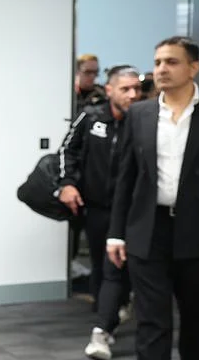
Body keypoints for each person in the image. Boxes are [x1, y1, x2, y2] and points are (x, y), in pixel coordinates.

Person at [107, 36, 199, 360]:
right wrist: (116, 233)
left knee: (195, 322)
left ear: (194, 67)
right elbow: (126, 179)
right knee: (151, 322)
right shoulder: (140, 114)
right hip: (148, 231)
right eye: (158, 62)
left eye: (171, 62)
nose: (161, 69)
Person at [57, 65, 141, 359]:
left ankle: (104, 326)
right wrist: (67, 184)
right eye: (125, 89)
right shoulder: (91, 116)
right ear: (110, 90)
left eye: (136, 89)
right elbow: (67, 150)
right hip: (96, 208)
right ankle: (106, 316)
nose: (132, 94)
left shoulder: (143, 120)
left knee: (118, 267)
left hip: (133, 211)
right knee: (101, 264)